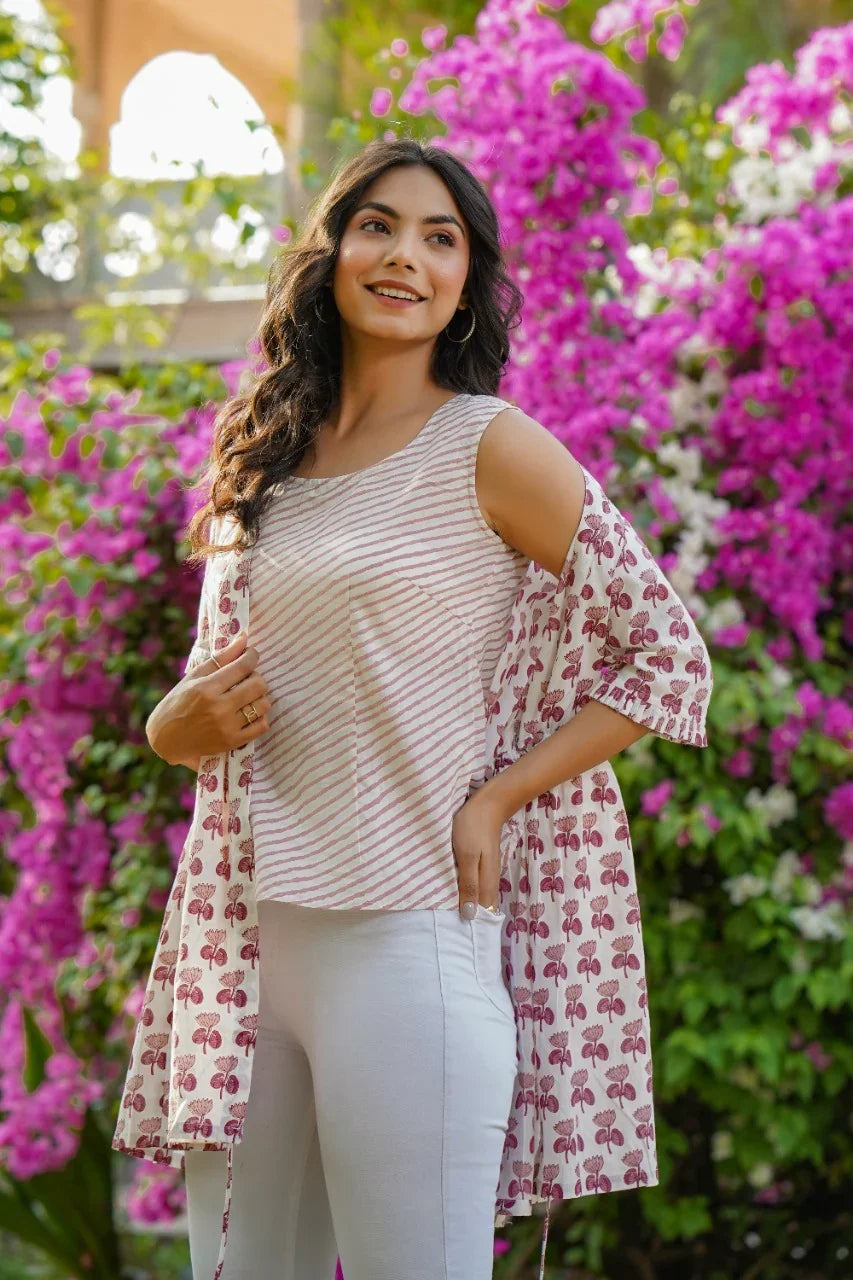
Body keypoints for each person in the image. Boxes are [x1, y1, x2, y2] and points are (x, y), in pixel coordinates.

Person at [112, 136, 713, 1280]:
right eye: (378, 224)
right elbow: (208, 684)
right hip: (242, 946)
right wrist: (167, 729)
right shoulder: (264, 463)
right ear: (330, 252)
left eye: (442, 238)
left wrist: (500, 794)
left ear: (467, 281)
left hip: (404, 945)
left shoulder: (485, 446)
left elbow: (666, 654)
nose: (406, 256)